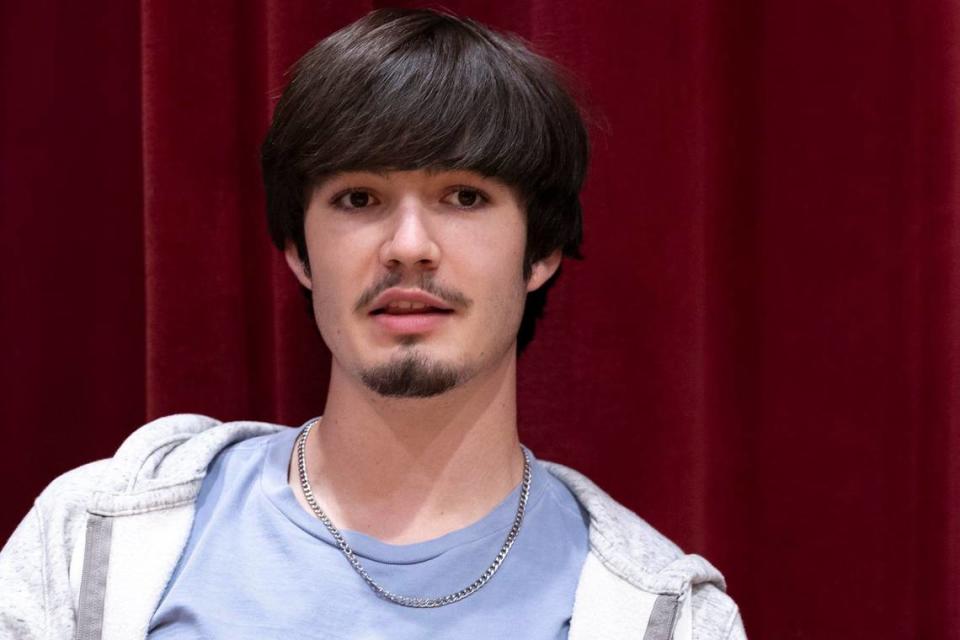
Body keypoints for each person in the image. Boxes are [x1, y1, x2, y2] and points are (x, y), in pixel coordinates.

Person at [0, 8, 745, 639]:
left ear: (541, 250)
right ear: (298, 249)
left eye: (464, 197)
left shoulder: (663, 617)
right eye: (360, 199)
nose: (410, 247)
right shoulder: (96, 535)